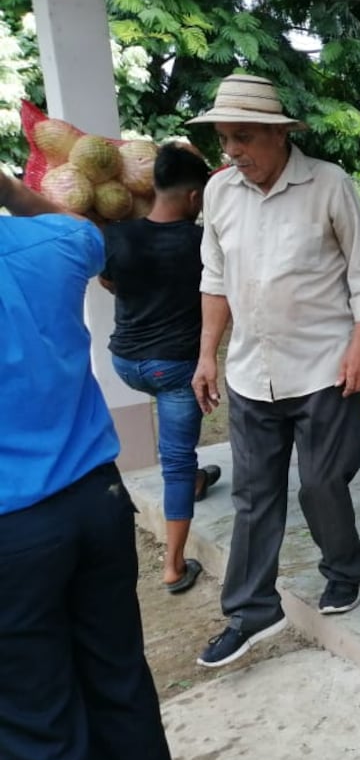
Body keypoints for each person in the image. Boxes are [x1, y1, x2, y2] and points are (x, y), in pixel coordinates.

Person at [188, 73, 360, 668]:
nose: (232, 151)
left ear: (279, 134)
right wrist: (207, 354)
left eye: (243, 137)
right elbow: (215, 280)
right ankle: (252, 611)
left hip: (324, 366)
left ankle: (347, 567)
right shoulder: (220, 193)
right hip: (253, 372)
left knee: (322, 484)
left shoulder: (328, 185)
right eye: (225, 139)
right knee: (253, 494)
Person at [0, 170, 175, 760]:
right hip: (92, 505)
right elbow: (85, 230)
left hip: (9, 535)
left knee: (40, 729)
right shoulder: (50, 244)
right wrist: (12, 191)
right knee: (118, 684)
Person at [100, 142, 221, 595]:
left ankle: (193, 481)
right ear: (194, 197)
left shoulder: (118, 235)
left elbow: (109, 280)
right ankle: (173, 566)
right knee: (176, 459)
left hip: (125, 362)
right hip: (172, 369)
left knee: (178, 458)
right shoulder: (200, 243)